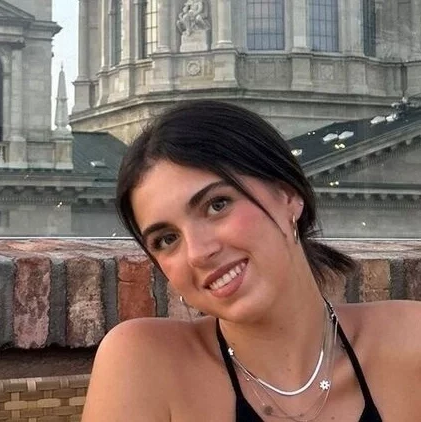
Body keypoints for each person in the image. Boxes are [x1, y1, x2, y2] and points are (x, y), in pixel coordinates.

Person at [81, 101, 421, 421]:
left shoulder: (410, 342)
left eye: (217, 205)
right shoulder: (144, 363)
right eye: (167, 239)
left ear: (288, 195)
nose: (198, 252)